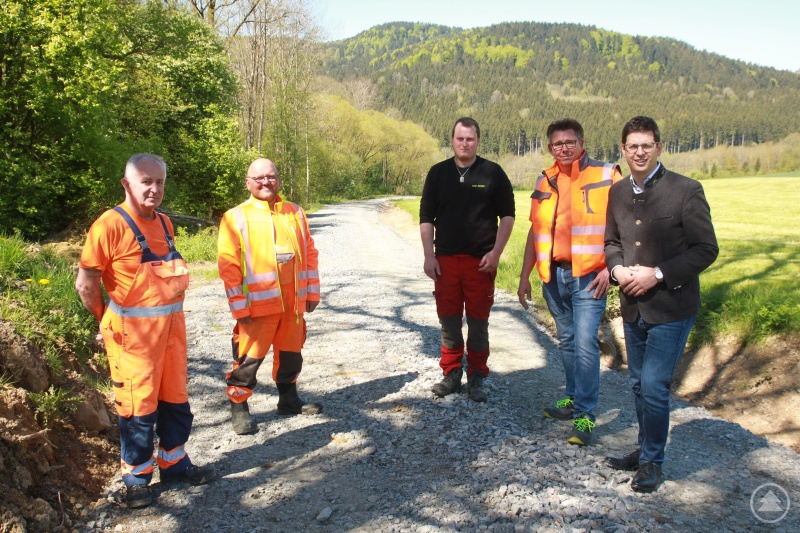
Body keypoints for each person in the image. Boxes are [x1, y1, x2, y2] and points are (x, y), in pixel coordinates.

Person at [75, 154, 215, 509]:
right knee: (138, 407)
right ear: (127, 184)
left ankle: (174, 463)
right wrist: (105, 320)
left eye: (159, 182)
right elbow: (86, 284)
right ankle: (136, 479)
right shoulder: (108, 225)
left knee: (175, 400)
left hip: (171, 335)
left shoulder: (165, 224)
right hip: (132, 339)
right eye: (146, 181)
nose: (154, 189)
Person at [604, 116, 718, 492]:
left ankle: (653, 461)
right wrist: (617, 270)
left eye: (646, 145)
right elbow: (612, 243)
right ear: (623, 150)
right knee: (638, 384)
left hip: (672, 306)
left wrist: (658, 274)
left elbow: (706, 249)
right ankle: (643, 449)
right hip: (632, 305)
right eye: (632, 146)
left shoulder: (686, 190)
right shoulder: (617, 192)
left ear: (659, 147)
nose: (639, 152)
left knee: (654, 384)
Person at [517, 118, 622, 446]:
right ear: (550, 148)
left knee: (586, 342)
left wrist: (612, 269)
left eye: (570, 142)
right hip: (554, 275)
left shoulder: (607, 175)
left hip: (590, 276)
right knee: (567, 340)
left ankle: (585, 415)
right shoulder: (545, 179)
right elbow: (535, 230)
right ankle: (574, 398)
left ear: (581, 143)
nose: (564, 148)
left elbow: (628, 227)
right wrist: (524, 276)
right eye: (558, 144)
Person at [218, 157, 321, 435]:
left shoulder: (295, 212)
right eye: (259, 178)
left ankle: (288, 400)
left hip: (293, 304)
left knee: (291, 354)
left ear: (278, 179)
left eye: (271, 176)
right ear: (248, 183)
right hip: (257, 306)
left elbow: (310, 253)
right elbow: (228, 266)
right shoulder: (235, 217)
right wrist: (239, 306)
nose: (266, 182)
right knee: (248, 359)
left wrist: (312, 292)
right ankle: (239, 406)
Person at [419, 117, 515, 403]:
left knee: (478, 321)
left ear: (478, 141)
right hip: (445, 261)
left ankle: (476, 376)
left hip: (480, 262)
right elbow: (426, 217)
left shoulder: (493, 172)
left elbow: (508, 216)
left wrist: (496, 253)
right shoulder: (438, 173)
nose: (464, 143)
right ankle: (451, 373)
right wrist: (428, 256)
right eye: (460, 138)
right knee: (448, 319)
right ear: (452, 140)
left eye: (470, 139)